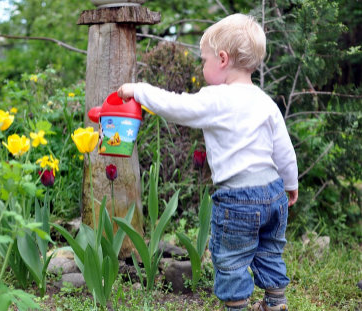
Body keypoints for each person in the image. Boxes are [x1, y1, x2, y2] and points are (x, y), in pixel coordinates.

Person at [117, 13, 298, 311]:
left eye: (204, 60)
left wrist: (138, 90)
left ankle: (237, 307)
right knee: (269, 251)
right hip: (273, 193)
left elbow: (175, 106)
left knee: (231, 259)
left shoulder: (216, 98)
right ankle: (276, 303)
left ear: (223, 59)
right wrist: (290, 185)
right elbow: (284, 151)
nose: (202, 67)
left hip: (238, 199)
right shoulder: (266, 102)